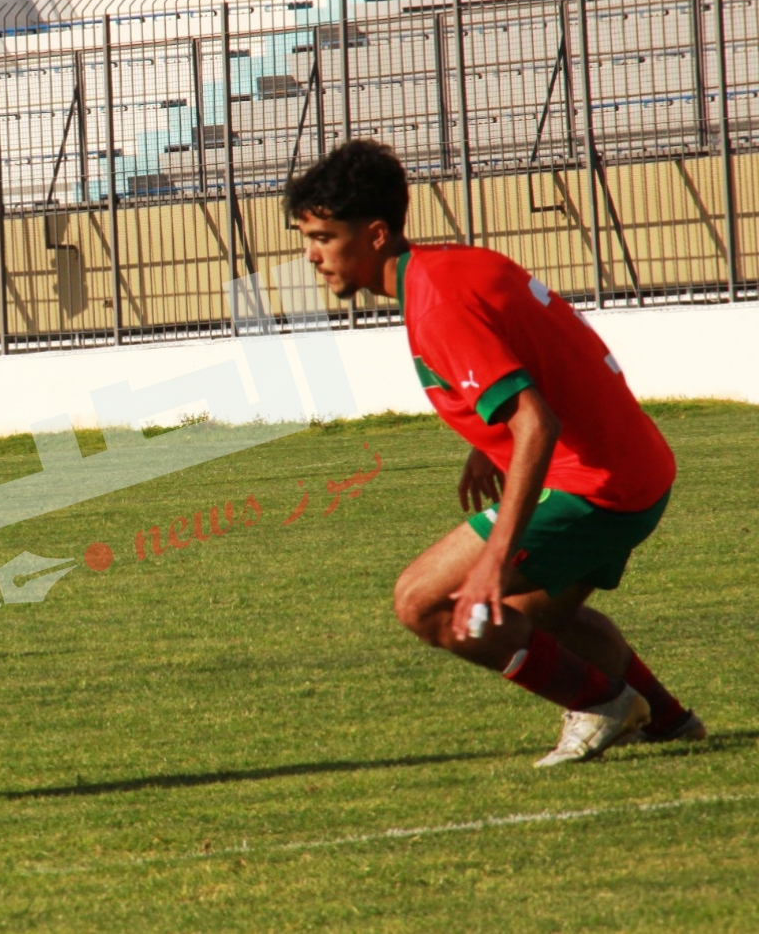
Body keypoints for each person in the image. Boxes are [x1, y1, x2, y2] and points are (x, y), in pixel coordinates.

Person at [285, 139, 703, 767]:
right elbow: (540, 362)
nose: (312, 256)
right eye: (305, 236)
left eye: (322, 236)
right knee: (534, 619)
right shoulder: (450, 266)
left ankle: (603, 705)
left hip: (595, 486)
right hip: (637, 471)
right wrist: (490, 442)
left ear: (374, 235)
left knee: (425, 601)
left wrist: (494, 559)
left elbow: (535, 421)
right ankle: (670, 722)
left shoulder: (436, 302)